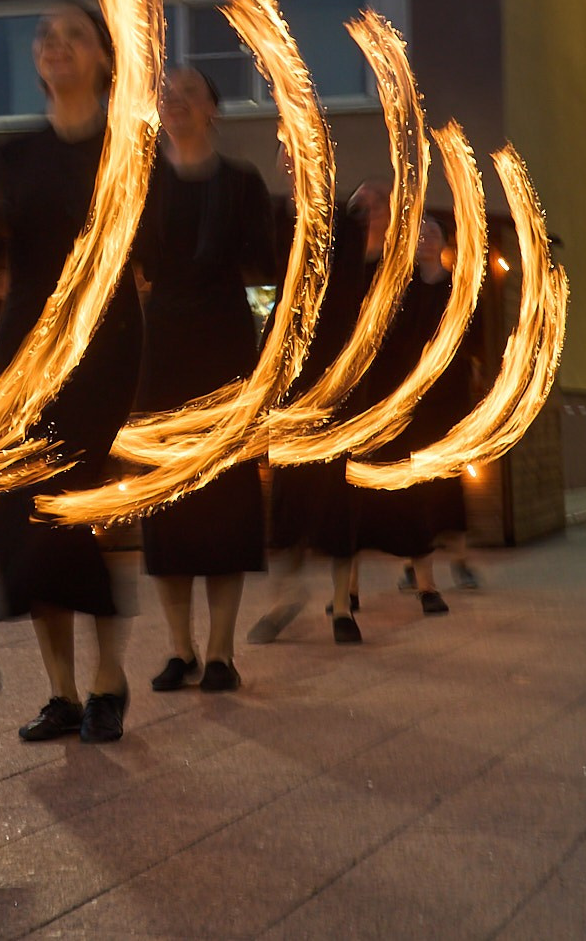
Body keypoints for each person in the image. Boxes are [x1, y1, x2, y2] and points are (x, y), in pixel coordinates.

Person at [0, 1, 140, 744]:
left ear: (105, 59)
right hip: (25, 350)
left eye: (74, 35)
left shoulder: (128, 148)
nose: (57, 45)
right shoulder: (11, 158)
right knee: (24, 517)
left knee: (71, 507)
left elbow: (158, 249)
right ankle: (63, 692)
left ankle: (109, 679)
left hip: (102, 350)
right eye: (45, 36)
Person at [136, 68, 276, 694]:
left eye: (191, 90)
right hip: (162, 350)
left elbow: (265, 271)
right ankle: (179, 649)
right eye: (168, 92)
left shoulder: (242, 183)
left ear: (214, 111)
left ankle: (220, 651)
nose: (176, 99)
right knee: (166, 503)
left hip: (223, 350)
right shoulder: (142, 181)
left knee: (225, 503)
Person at [248, 178, 389, 646]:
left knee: (339, 497)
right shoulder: (281, 226)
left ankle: (342, 606)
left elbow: (371, 274)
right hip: (293, 386)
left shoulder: (350, 237)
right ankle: (283, 599)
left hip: (341, 386)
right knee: (288, 497)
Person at [348, 215, 471, 617]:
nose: (424, 242)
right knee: (360, 497)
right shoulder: (394, 282)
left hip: (425, 404)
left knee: (419, 493)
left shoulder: (453, 289)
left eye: (431, 235)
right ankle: (346, 593)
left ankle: (428, 583)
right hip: (382, 401)